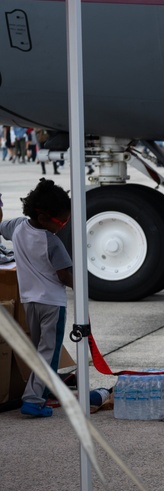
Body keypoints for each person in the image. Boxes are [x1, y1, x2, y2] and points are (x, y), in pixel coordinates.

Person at [0, 179, 73, 417]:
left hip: (29, 301)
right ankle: (33, 400)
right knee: (48, 351)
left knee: (39, 349)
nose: (63, 226)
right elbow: (64, 275)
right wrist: (82, 285)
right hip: (52, 304)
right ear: (43, 219)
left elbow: (1, 226)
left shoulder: (17, 226)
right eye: (62, 221)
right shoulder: (52, 242)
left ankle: (45, 390)